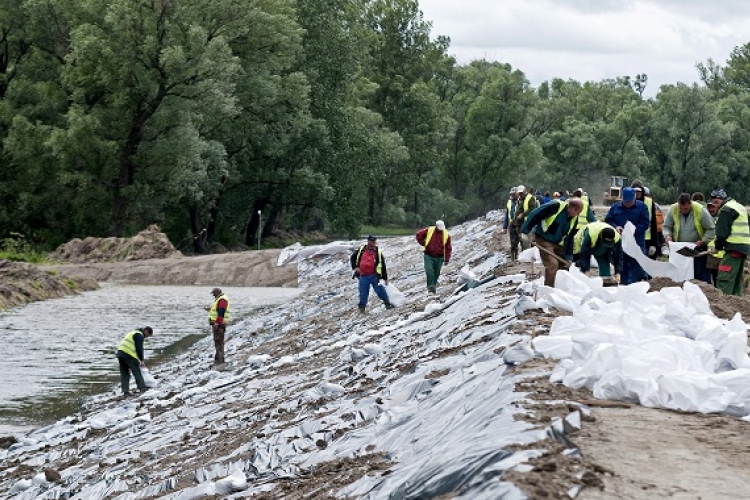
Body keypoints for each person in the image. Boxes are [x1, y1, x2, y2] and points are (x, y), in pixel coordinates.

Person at [521, 197, 583, 287]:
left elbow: (569, 239)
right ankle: (548, 289)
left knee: (564, 265)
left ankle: (560, 289)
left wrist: (569, 257)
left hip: (557, 243)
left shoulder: (574, 219)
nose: (577, 215)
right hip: (543, 239)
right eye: (577, 212)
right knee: (552, 264)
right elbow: (536, 214)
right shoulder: (555, 206)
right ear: (572, 208)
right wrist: (525, 230)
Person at [662, 193, 715, 283]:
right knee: (679, 274)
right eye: (681, 208)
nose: (683, 211)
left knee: (699, 274)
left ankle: (703, 292)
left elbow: (711, 229)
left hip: (697, 248)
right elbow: (666, 226)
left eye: (686, 208)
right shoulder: (674, 209)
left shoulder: (700, 210)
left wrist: (703, 241)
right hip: (679, 249)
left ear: (690, 203)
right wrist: (667, 236)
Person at [605, 187, 650, 285]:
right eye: (626, 202)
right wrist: (615, 227)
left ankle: (635, 286)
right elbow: (608, 220)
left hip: (636, 243)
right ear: (622, 199)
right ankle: (623, 286)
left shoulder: (642, 207)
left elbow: (645, 223)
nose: (628, 204)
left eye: (630, 201)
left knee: (637, 267)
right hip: (620, 244)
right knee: (622, 267)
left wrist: (632, 230)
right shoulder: (615, 208)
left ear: (635, 198)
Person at [709, 189, 750, 296]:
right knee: (736, 281)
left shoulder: (726, 210)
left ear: (723, 200)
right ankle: (736, 306)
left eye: (716, 202)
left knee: (724, 279)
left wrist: (717, 247)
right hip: (743, 250)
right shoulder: (739, 206)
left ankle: (724, 307)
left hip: (733, 250)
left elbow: (722, 234)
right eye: (713, 203)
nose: (715, 206)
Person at [351, 235, 393, 312]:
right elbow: (352, 258)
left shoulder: (378, 252)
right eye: (372, 241)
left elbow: (383, 265)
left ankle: (387, 304)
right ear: (368, 241)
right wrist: (355, 267)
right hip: (363, 276)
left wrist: (385, 278)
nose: (373, 243)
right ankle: (362, 309)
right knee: (363, 293)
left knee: (380, 291)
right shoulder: (361, 249)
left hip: (374, 276)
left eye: (374, 241)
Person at [116, 326, 154, 396]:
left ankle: (125, 391)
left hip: (120, 353)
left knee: (124, 373)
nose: (147, 337)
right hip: (128, 355)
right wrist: (141, 360)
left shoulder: (133, 332)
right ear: (146, 331)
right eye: (148, 335)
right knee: (136, 371)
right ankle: (142, 388)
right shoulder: (139, 335)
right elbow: (139, 348)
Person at [416, 220, 452, 293]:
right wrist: (423, 243)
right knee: (429, 271)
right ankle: (430, 287)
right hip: (428, 255)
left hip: (440, 257)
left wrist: (447, 259)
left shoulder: (446, 235)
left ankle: (433, 287)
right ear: (436, 226)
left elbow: (448, 248)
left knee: (437, 273)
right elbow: (418, 234)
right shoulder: (429, 230)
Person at [631, 180, 661, 258]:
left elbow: (654, 224)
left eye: (639, 191)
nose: (637, 193)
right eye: (635, 191)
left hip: (647, 240)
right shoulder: (627, 202)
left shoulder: (649, 202)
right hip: (632, 239)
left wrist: (654, 244)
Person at [207, 287, 230, 364]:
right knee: (218, 342)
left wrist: (217, 323)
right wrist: (210, 310)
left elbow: (221, 312)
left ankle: (220, 360)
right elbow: (218, 310)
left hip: (219, 325)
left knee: (219, 342)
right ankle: (218, 359)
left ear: (217, 292)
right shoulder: (220, 299)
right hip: (218, 324)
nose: (213, 295)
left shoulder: (222, 300)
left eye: (213, 293)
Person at [515, 185, 540, 251]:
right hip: (521, 223)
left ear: (525, 191)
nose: (520, 194)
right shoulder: (520, 199)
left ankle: (528, 253)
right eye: (519, 193)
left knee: (527, 239)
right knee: (522, 239)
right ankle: (525, 253)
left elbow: (532, 209)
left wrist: (522, 214)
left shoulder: (530, 198)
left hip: (528, 222)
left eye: (521, 193)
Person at [706, 200, 723, 286]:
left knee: (720, 278)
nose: (711, 209)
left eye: (713, 207)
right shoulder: (708, 219)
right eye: (709, 207)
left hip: (720, 254)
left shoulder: (722, 219)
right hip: (711, 255)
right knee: (713, 277)